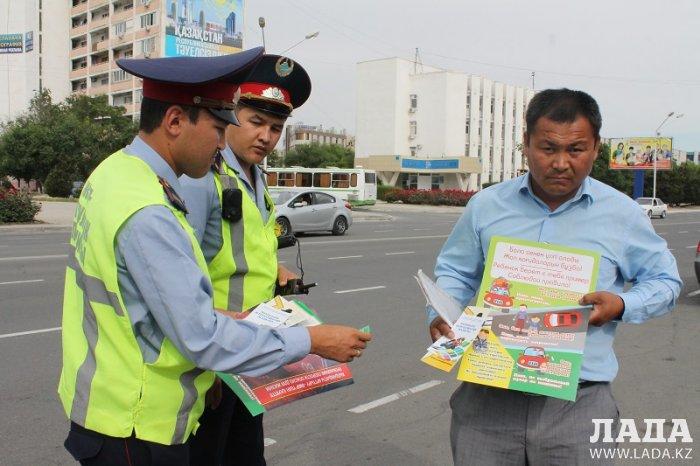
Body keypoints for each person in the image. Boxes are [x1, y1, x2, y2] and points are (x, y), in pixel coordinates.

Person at [58, 49, 371, 466]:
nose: (223, 142)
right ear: (173, 121)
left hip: (115, 403)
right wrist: (312, 341)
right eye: (218, 127)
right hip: (138, 417)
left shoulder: (116, 173)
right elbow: (200, 335)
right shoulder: (152, 209)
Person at [428, 88, 681, 466]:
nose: (561, 163)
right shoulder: (486, 206)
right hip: (488, 399)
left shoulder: (622, 214)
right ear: (526, 145)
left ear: (596, 148)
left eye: (576, 149)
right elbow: (454, 272)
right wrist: (441, 312)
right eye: (547, 148)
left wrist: (622, 304)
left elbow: (666, 281)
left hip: (578, 406)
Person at [179, 54, 315, 465]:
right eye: (255, 121)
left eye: (276, 128)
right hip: (214, 355)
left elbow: (241, 250)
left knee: (246, 455)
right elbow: (183, 274)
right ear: (231, 115)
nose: (266, 136)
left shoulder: (258, 178)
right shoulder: (204, 178)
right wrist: (209, 367)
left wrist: (276, 270)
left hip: (249, 352)